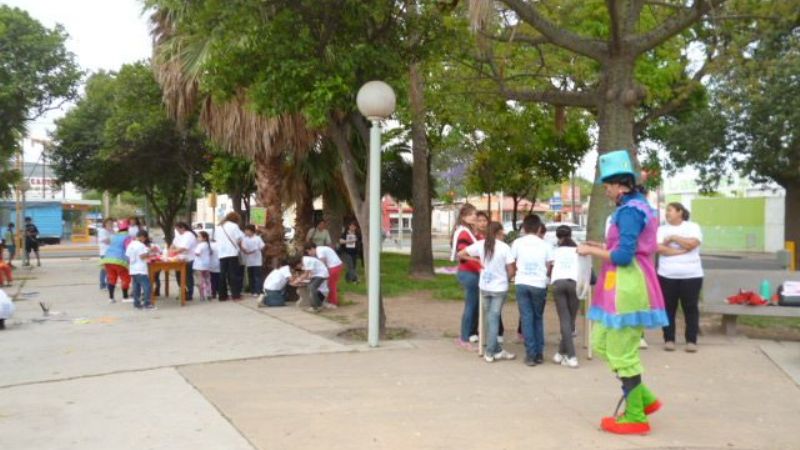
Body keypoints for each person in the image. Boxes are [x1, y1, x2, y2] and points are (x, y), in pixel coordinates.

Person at [577, 149, 668, 435]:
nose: (606, 191)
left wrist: (590, 250)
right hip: (618, 286)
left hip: (628, 287)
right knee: (602, 343)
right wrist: (600, 246)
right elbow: (624, 248)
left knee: (623, 353)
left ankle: (636, 416)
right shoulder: (634, 207)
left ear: (620, 185)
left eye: (607, 186)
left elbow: (624, 256)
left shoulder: (630, 211)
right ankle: (644, 399)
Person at [458, 221, 515, 363]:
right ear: (499, 232)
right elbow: (511, 269)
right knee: (493, 318)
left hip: (484, 286)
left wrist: (476, 260)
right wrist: (507, 279)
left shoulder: (481, 244)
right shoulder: (504, 247)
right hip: (499, 287)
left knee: (490, 318)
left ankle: (497, 349)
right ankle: (490, 352)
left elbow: (461, 253)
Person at [657, 202, 703, 353]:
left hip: (692, 275)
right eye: (666, 211)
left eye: (670, 210)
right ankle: (669, 339)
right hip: (667, 274)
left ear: (680, 212)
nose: (667, 213)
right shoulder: (661, 229)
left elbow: (692, 244)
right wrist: (681, 251)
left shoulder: (693, 227)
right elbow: (659, 248)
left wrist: (674, 238)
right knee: (668, 308)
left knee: (690, 308)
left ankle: (691, 341)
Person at [509, 214, 553, 366]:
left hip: (522, 282)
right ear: (539, 228)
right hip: (539, 284)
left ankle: (530, 354)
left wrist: (516, 273)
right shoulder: (546, 245)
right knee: (538, 318)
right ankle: (539, 353)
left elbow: (512, 262)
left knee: (526, 318)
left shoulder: (517, 243)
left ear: (524, 228)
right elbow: (549, 266)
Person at [451, 203, 481, 351]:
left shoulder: (466, 231)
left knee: (471, 306)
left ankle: (464, 336)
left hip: (469, 272)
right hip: (469, 273)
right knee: (471, 307)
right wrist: (480, 265)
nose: (474, 216)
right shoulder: (464, 233)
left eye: (475, 214)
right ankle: (464, 338)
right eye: (471, 214)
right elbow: (462, 254)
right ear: (463, 217)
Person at [551, 225, 581, 368]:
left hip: (558, 283)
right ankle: (571, 355)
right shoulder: (579, 250)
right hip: (574, 284)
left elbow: (550, 268)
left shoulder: (555, 251)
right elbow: (589, 272)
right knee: (570, 320)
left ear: (557, 237)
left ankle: (562, 353)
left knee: (565, 320)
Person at [101, 219, 133, 303]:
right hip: (119, 260)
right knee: (125, 278)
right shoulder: (127, 237)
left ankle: (111, 298)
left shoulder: (115, 236)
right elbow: (129, 249)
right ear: (128, 228)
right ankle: (125, 297)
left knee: (111, 278)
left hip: (108, 259)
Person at [215, 212, 245, 301]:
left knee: (222, 275)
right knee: (233, 275)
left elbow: (216, 239)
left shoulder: (219, 227)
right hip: (232, 253)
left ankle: (222, 295)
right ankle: (235, 295)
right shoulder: (234, 226)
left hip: (221, 253)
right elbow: (239, 238)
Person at [126, 230, 155, 310]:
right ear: (142, 237)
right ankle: (147, 304)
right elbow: (142, 256)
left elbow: (127, 257)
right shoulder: (140, 245)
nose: (145, 240)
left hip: (133, 269)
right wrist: (149, 252)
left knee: (136, 287)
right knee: (147, 286)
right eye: (145, 238)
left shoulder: (131, 244)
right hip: (140, 269)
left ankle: (137, 304)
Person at [310, 243, 343, 307]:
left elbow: (322, 265)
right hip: (336, 265)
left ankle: (333, 303)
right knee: (331, 285)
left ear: (312, 248)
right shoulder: (320, 249)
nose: (310, 254)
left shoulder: (319, 251)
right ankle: (332, 301)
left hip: (334, 266)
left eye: (309, 251)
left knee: (331, 285)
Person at [171, 222, 198, 301]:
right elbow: (173, 245)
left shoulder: (189, 235)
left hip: (188, 259)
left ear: (182, 228)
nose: (177, 231)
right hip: (179, 259)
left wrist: (173, 251)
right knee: (178, 276)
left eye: (178, 229)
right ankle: (182, 292)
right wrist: (171, 250)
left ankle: (189, 294)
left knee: (187, 277)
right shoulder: (179, 235)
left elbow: (184, 248)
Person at [241, 224, 266, 296]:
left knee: (257, 276)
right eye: (245, 231)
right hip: (249, 261)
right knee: (251, 277)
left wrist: (257, 249)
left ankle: (258, 291)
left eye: (247, 230)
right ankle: (253, 291)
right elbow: (243, 248)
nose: (245, 232)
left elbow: (262, 246)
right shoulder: (245, 239)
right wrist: (245, 251)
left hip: (257, 261)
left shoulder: (257, 238)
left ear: (251, 231)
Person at [193, 231, 213, 301]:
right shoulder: (208, 245)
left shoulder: (200, 245)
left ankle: (202, 296)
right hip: (206, 265)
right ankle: (209, 294)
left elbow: (197, 253)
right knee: (207, 280)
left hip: (198, 266)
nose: (197, 238)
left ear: (204, 238)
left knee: (199, 282)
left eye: (199, 237)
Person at [98, 218, 114, 290]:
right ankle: (103, 285)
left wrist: (112, 232)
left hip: (111, 252)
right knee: (105, 269)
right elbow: (106, 241)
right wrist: (112, 240)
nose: (110, 224)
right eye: (108, 223)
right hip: (104, 253)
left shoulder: (112, 231)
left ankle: (108, 284)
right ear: (105, 224)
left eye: (111, 223)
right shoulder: (102, 231)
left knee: (109, 269)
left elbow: (115, 239)